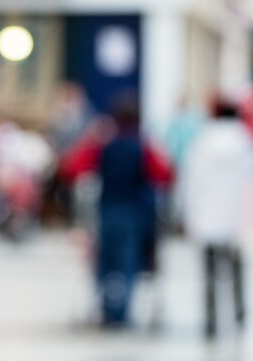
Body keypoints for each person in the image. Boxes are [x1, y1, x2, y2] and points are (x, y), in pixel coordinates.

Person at [60, 93, 172, 326]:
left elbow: (72, 168)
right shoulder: (143, 146)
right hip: (136, 214)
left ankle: (108, 309)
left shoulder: (103, 145)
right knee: (128, 262)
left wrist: (92, 138)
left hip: (108, 210)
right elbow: (165, 174)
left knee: (105, 262)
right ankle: (122, 311)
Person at [182, 98, 253, 339]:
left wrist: (189, 215)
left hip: (208, 216)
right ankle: (239, 314)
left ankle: (211, 319)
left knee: (210, 271)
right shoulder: (244, 143)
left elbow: (191, 184)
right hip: (235, 219)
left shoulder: (202, 144)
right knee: (236, 270)